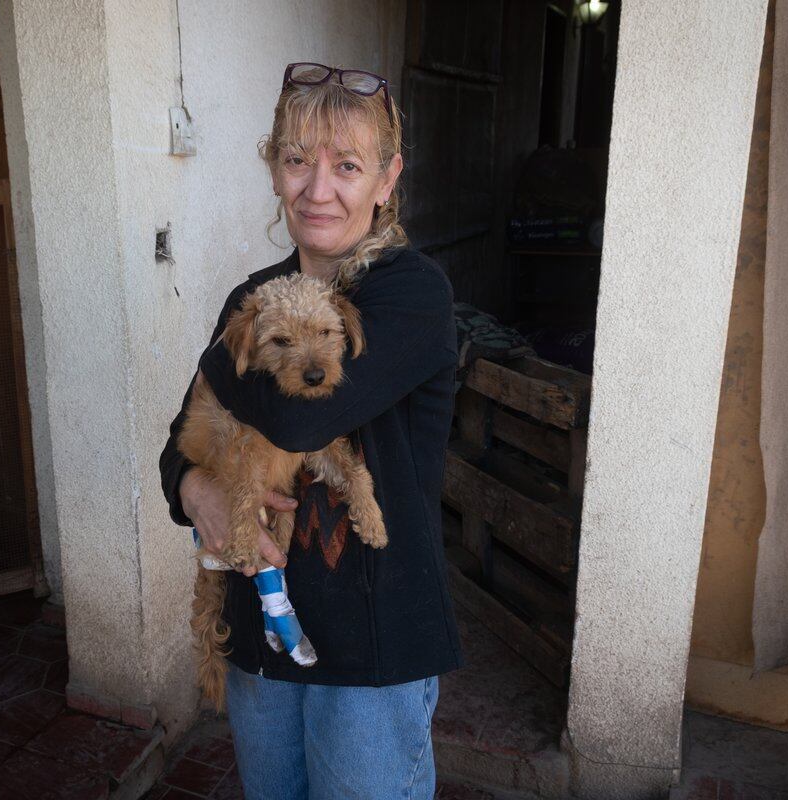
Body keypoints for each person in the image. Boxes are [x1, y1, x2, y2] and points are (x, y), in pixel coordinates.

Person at [158, 62, 462, 799]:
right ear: (274, 173)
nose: (317, 189)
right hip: (263, 633)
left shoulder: (411, 293)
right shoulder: (252, 299)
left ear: (387, 179)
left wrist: (240, 343)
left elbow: (302, 415)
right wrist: (196, 492)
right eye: (297, 161)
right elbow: (179, 442)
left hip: (374, 649)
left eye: (347, 166)